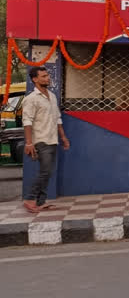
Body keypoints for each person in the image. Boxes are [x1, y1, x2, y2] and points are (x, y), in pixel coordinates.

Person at [21, 67, 71, 213]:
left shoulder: (52, 96)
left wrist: (63, 137)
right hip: (40, 140)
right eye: (43, 76)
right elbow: (27, 121)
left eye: (47, 75)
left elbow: (57, 118)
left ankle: (40, 202)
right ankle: (30, 199)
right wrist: (29, 143)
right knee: (45, 171)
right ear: (35, 79)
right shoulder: (31, 99)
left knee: (47, 172)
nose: (47, 78)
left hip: (53, 139)